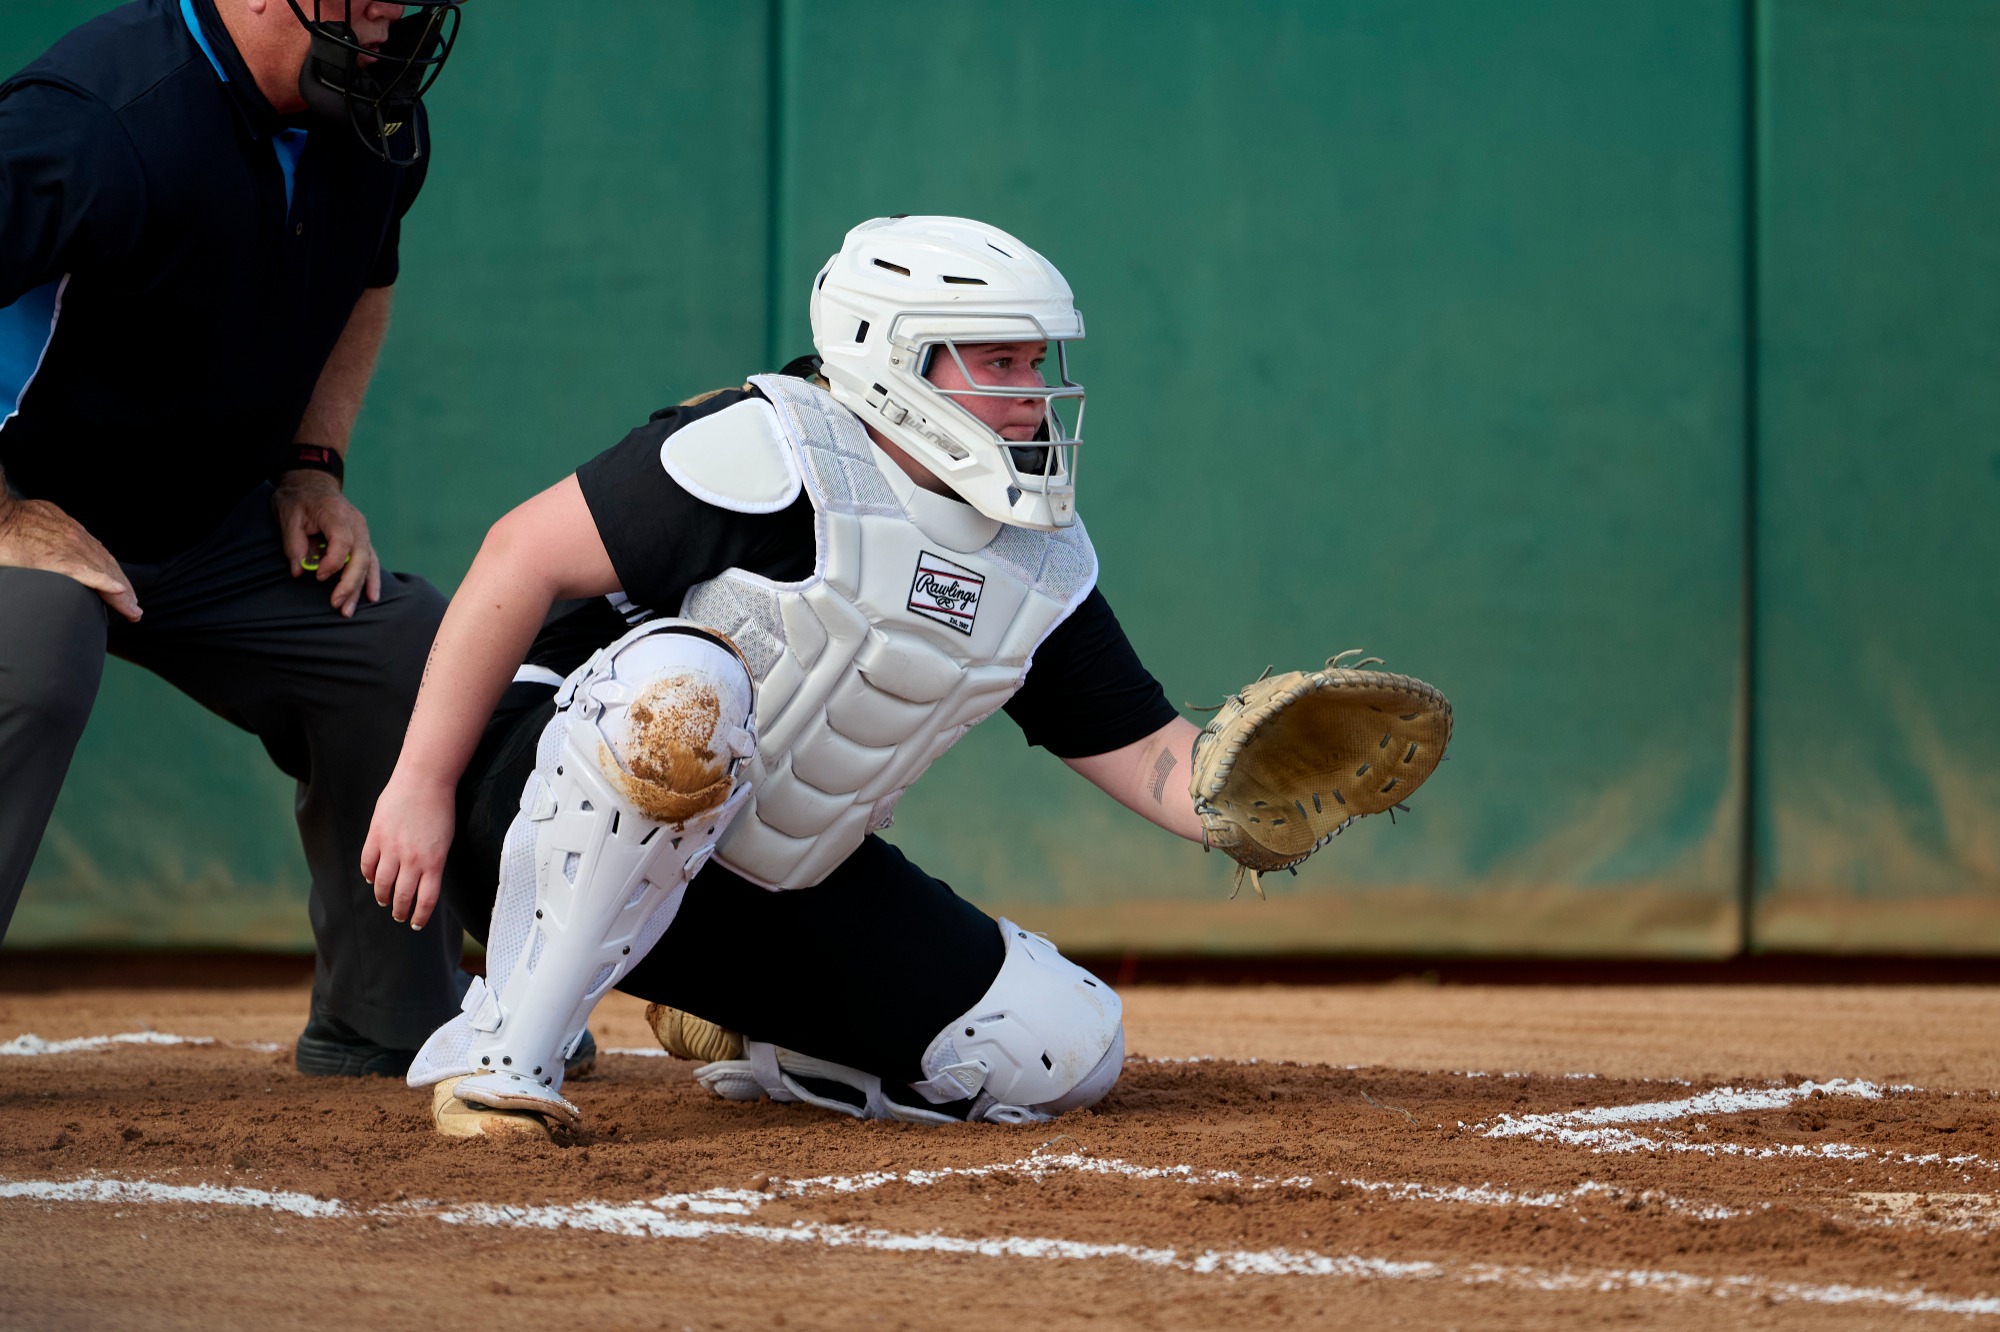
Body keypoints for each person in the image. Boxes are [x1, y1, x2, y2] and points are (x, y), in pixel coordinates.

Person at [364, 216, 1213, 1136]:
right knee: (685, 688)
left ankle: (759, 1037)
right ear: (891, 358)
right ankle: (507, 1055)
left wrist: (1255, 803)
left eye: (1036, 365)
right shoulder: (764, 448)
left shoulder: (1033, 557)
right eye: (996, 364)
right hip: (529, 818)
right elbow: (516, 556)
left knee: (1059, 1049)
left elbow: (1144, 748)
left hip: (758, 882)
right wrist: (422, 782)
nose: (1034, 395)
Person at [0, 0, 484, 1077]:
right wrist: (6, 512)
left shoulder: (373, 107)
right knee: (34, 649)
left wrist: (313, 463)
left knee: (398, 652)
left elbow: (367, 275)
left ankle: (391, 1014)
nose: (388, 20)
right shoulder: (95, 117)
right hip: (29, 512)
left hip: (203, 523)